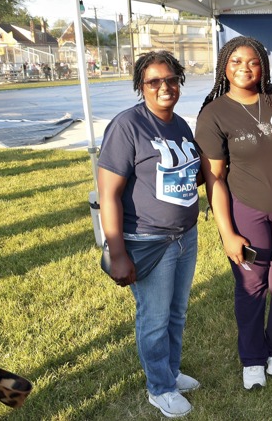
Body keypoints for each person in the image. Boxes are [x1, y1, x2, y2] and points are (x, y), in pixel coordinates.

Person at [195, 36, 272, 390]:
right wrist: (227, 233)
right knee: (251, 286)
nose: (245, 68)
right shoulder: (214, 114)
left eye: (253, 62)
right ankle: (253, 358)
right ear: (224, 67)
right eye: (236, 61)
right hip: (247, 209)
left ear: (264, 66)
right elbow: (214, 177)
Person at [98, 50, 201, 418]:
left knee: (177, 313)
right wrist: (117, 252)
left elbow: (188, 174)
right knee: (154, 318)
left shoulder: (180, 124)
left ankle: (169, 371)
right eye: (154, 81)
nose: (164, 87)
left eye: (171, 79)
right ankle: (160, 388)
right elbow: (108, 194)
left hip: (185, 237)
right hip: (148, 240)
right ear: (140, 86)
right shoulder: (127, 126)